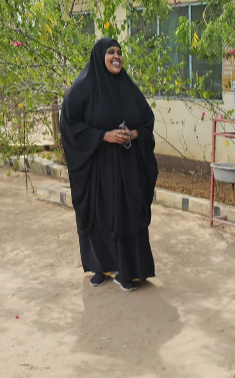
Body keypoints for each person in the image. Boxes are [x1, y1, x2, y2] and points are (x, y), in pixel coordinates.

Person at [60, 38, 158, 292]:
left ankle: (127, 272)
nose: (117, 57)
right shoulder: (84, 87)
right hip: (97, 169)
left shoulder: (128, 87)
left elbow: (147, 120)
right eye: (110, 53)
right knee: (99, 215)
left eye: (119, 53)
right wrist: (103, 135)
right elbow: (69, 123)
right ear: (99, 56)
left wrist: (133, 134)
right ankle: (100, 267)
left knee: (126, 215)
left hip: (126, 168)